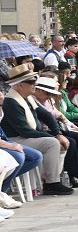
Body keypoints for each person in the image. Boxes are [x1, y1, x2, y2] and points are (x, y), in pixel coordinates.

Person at [1, 64, 70, 196]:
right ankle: (51, 183)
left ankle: (53, 178)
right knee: (52, 143)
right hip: (16, 139)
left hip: (26, 136)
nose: (35, 84)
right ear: (19, 85)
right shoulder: (11, 102)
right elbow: (25, 131)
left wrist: (58, 133)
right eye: (31, 81)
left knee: (63, 141)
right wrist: (54, 137)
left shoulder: (26, 98)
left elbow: (47, 115)